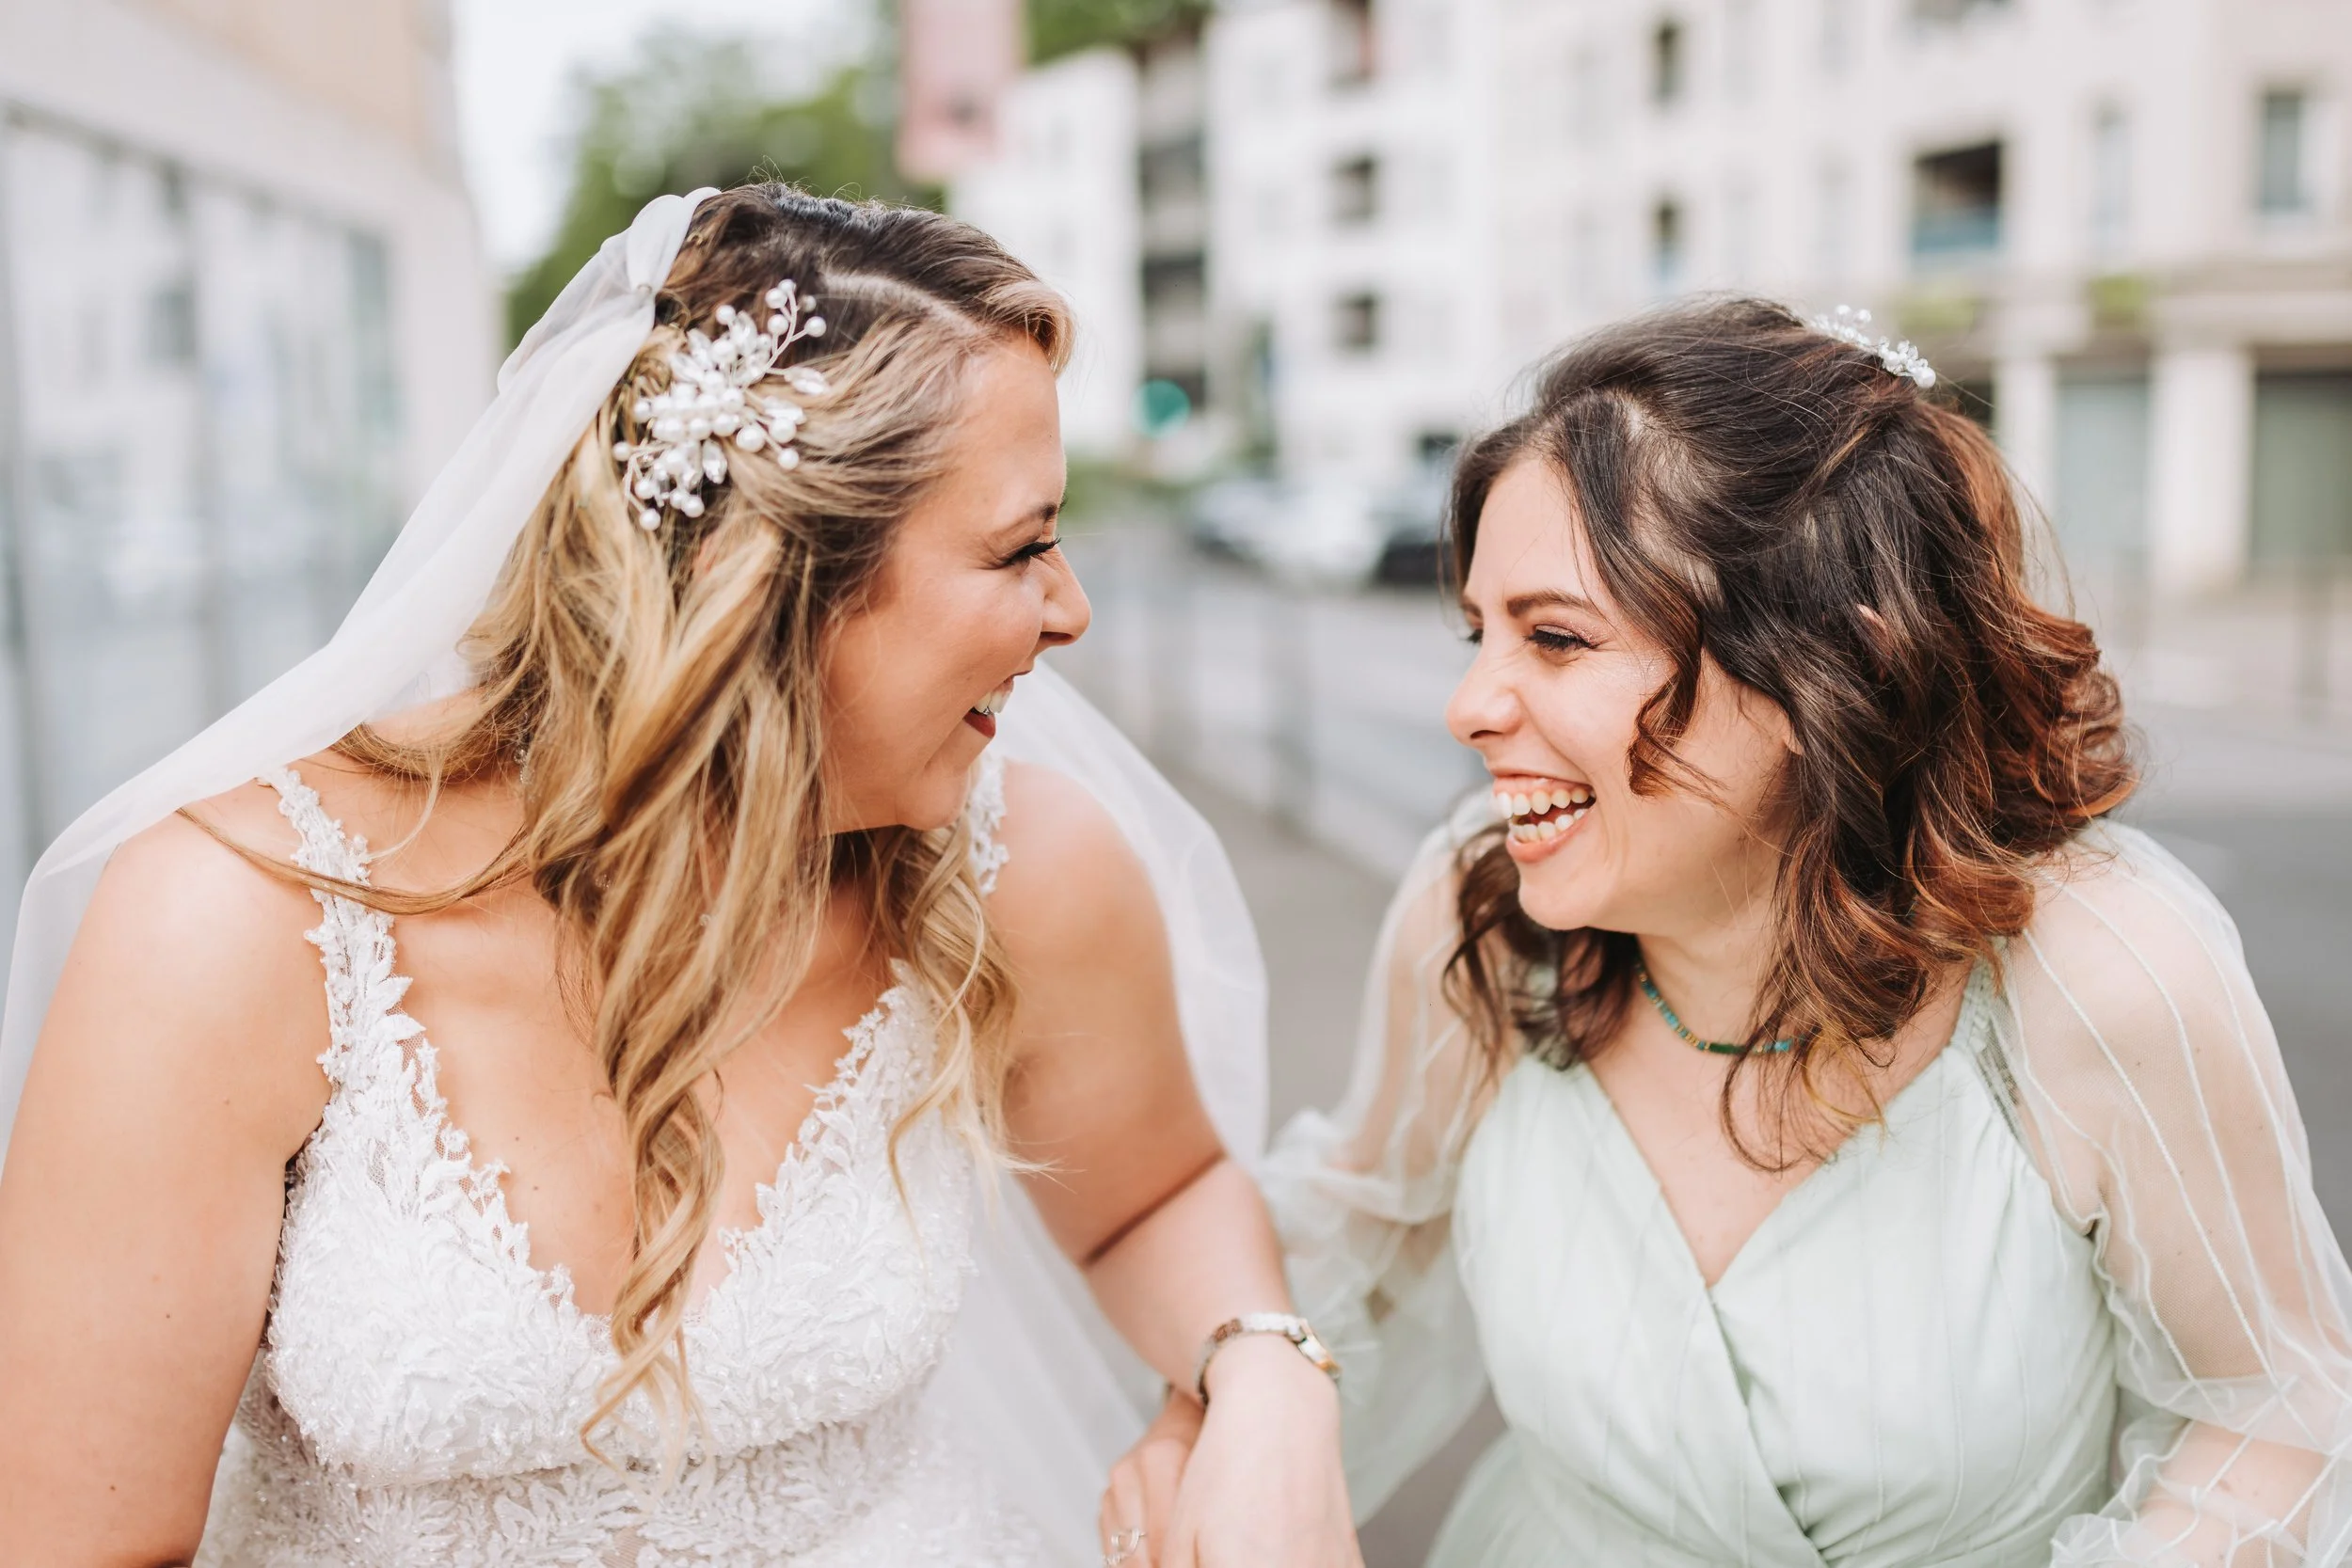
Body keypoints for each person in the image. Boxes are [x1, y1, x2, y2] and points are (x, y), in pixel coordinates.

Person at [0, 185, 1359, 1568]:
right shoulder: (241, 922)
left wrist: (1263, 1368)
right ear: (770, 587)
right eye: (1021, 547)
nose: (1070, 611)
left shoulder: (1021, 870)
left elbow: (1156, 1194)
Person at [1115, 297, 2352, 1564]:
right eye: (1480, 634)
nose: (1471, 704)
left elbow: (2273, 1406)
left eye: (1556, 638)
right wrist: (1227, 1400)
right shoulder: (1477, 914)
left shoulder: (2104, 973)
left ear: (1827, 667)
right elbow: (1369, 1236)